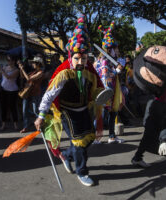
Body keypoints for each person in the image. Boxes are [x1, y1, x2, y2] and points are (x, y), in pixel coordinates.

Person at [34, 16, 105, 186]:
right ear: (70, 57)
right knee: (80, 143)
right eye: (77, 59)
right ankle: (82, 172)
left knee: (88, 139)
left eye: (84, 58)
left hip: (83, 110)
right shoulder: (63, 72)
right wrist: (41, 115)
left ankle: (66, 154)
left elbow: (95, 89)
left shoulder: (90, 70)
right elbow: (49, 95)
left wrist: (103, 96)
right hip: (67, 112)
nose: (81, 62)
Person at [95, 21, 125, 144]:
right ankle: (96, 138)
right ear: (110, 49)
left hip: (111, 91)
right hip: (105, 92)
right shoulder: (103, 60)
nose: (116, 51)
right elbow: (105, 76)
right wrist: (117, 71)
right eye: (115, 48)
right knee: (101, 115)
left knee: (113, 114)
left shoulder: (110, 60)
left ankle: (112, 136)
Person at [18, 56, 44, 133]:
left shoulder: (40, 73)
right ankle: (26, 126)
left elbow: (29, 79)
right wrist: (21, 69)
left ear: (38, 64)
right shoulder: (33, 72)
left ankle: (40, 125)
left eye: (33, 63)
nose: (32, 64)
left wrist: (22, 69)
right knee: (24, 110)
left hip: (35, 93)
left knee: (36, 110)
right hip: (28, 93)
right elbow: (22, 76)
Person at [0, 55, 20, 130]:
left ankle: (15, 124)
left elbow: (9, 77)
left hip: (12, 90)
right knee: (3, 107)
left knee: (12, 107)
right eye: (8, 60)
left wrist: (1, 69)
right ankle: (3, 124)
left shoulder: (16, 70)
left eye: (10, 60)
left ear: (14, 61)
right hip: (4, 89)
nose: (9, 62)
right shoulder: (5, 68)